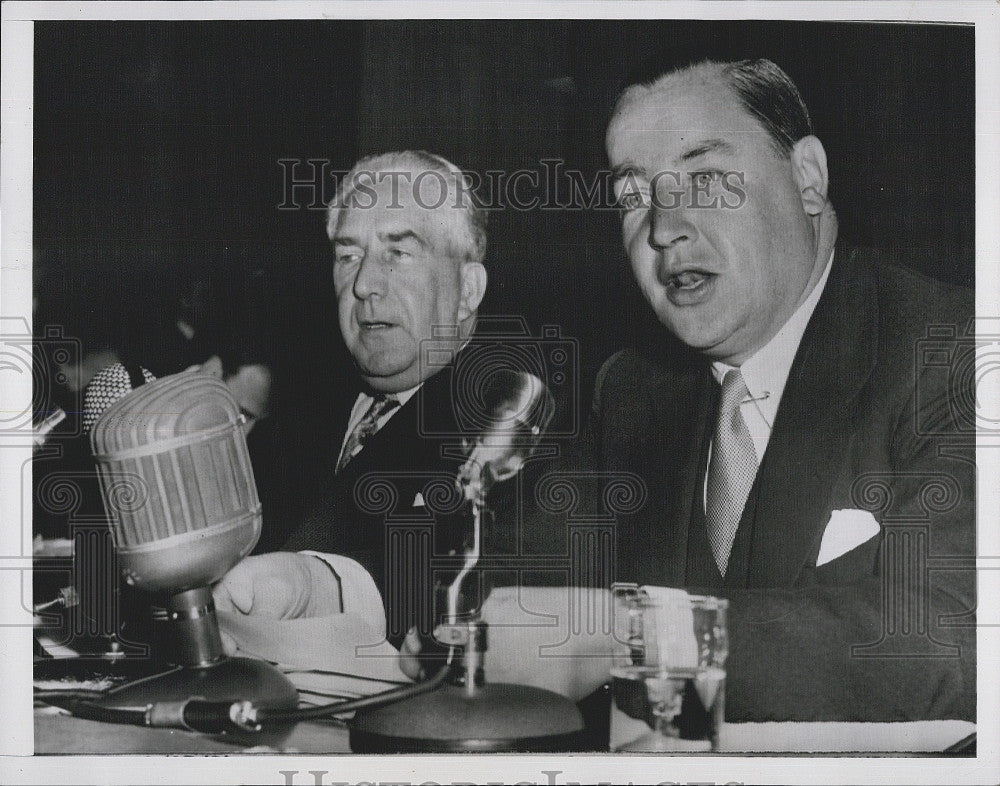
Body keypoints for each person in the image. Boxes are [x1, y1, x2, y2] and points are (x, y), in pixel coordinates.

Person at [563, 57, 974, 722]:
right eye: (633, 197)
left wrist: (631, 635)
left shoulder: (954, 349)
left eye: (705, 177)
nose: (663, 228)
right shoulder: (632, 391)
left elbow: (955, 637)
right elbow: (530, 583)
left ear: (808, 179)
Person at [214, 151, 490, 647]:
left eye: (398, 253)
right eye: (348, 256)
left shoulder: (511, 423)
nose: (363, 285)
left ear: (468, 289)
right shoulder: (303, 410)